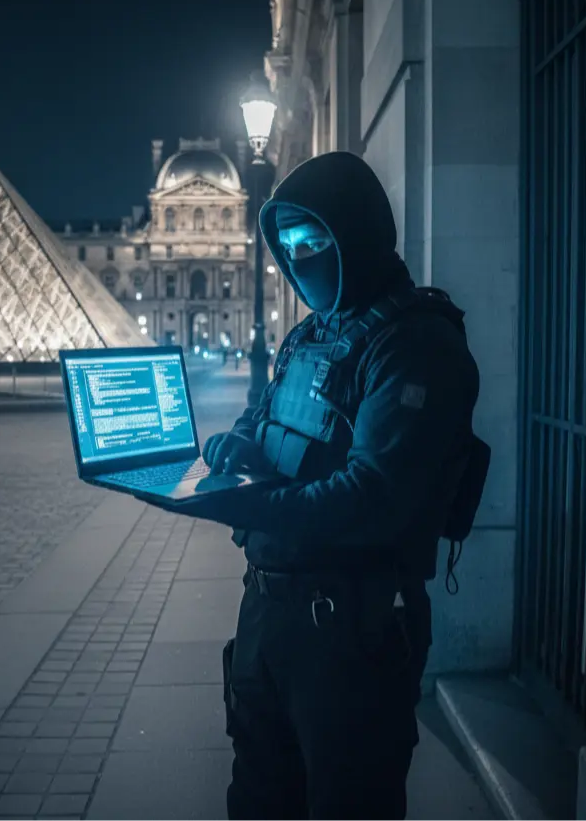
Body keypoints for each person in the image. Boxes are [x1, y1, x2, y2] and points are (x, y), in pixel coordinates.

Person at [168, 152, 482, 819]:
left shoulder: (417, 343)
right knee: (257, 799)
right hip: (267, 615)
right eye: (286, 247)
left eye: (312, 242)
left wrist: (245, 503)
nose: (297, 259)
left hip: (353, 631)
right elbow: (260, 419)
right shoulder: (310, 333)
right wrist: (235, 447)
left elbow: (373, 496)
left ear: (358, 233)